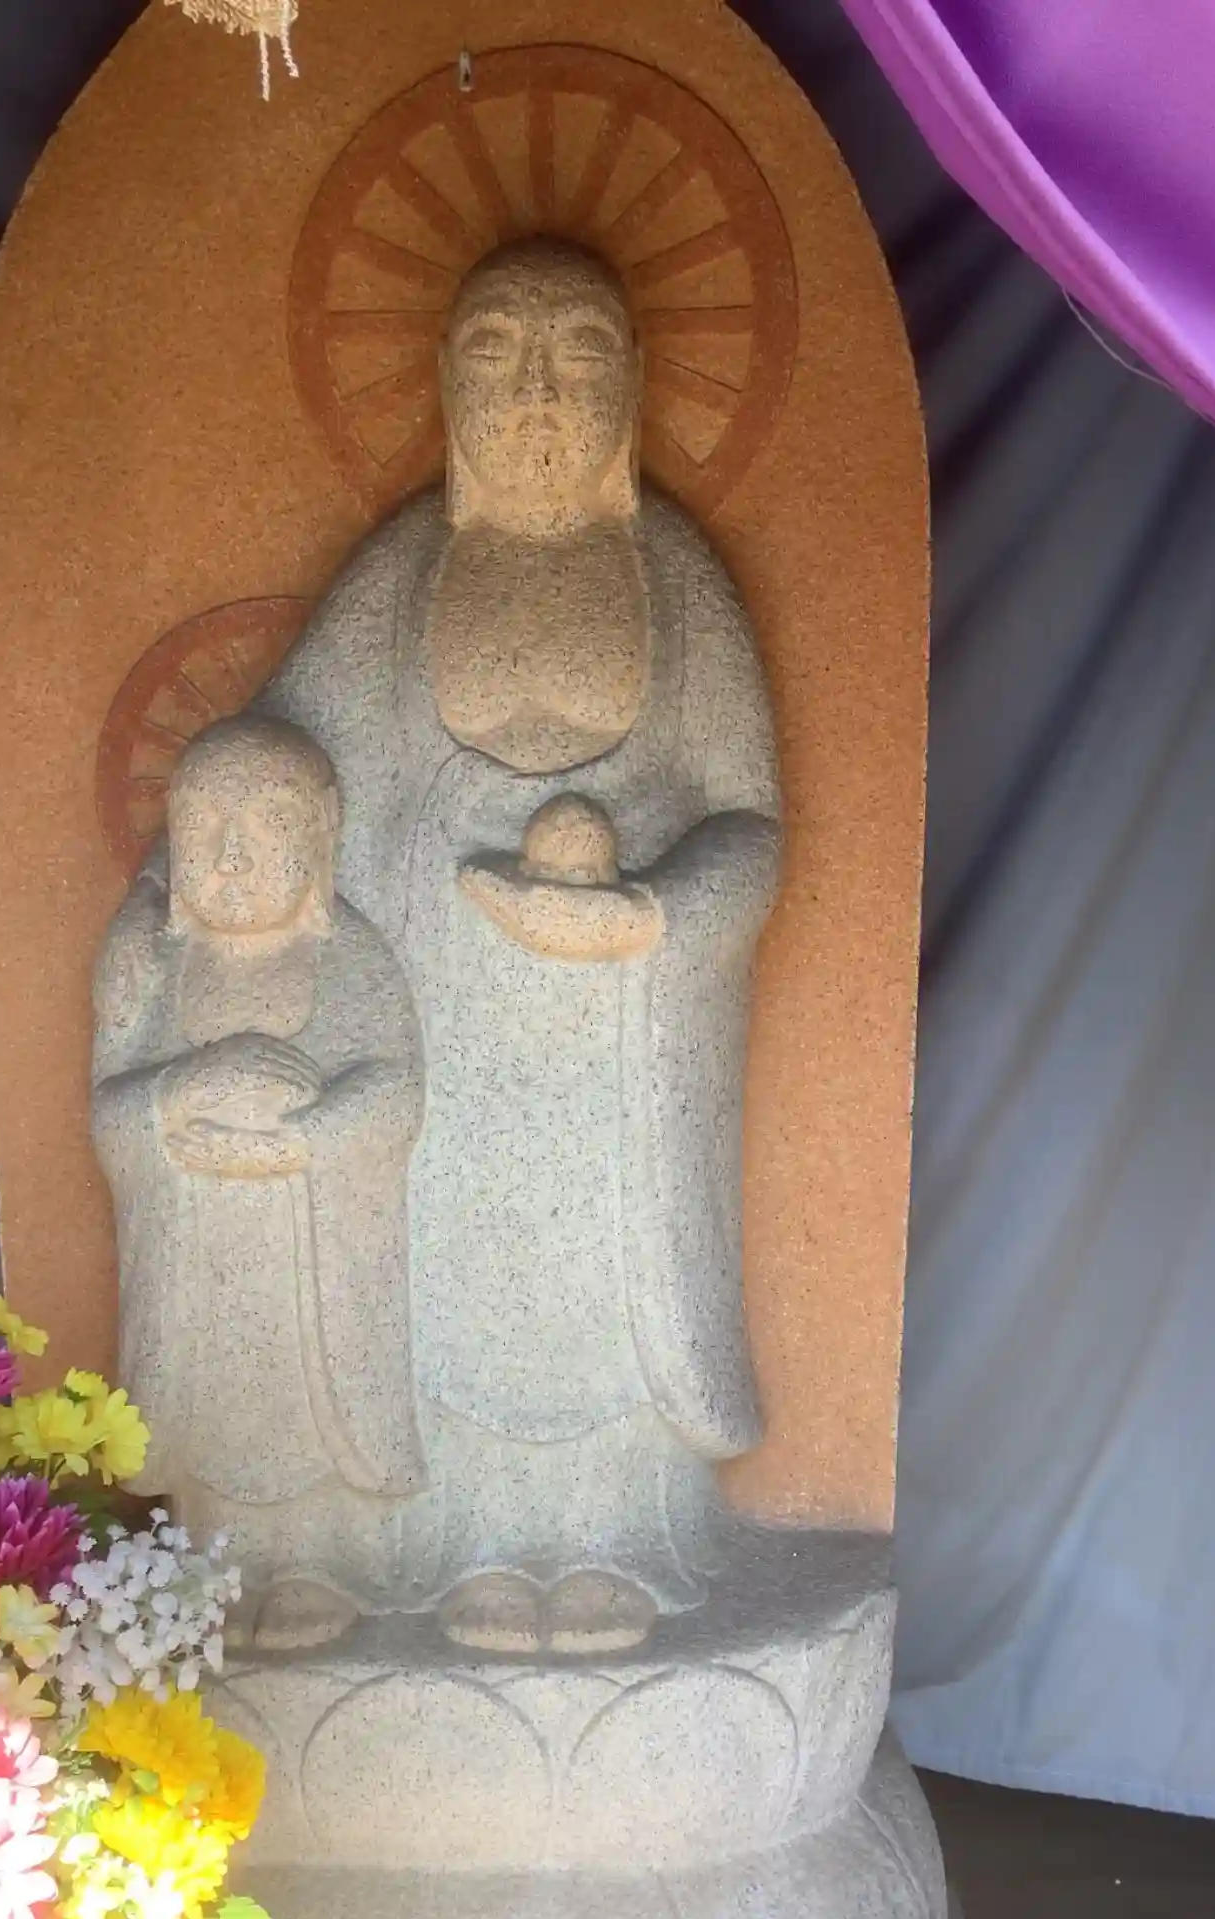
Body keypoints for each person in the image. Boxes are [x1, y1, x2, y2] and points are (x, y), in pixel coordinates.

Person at [260, 236, 782, 1654]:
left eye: (579, 356)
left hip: (625, 1045)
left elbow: (749, 824)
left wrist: (650, 917)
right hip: (439, 1019)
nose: (538, 395)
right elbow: (283, 777)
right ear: (443, 382)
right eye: (498, 355)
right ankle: (466, 1548)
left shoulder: (676, 580)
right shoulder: (398, 579)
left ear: (636, 384)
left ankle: (617, 1539)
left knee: (602, 1290)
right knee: (447, 1278)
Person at [92, 715, 424, 1650]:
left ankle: (319, 1563)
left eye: (267, 824)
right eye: (204, 828)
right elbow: (110, 1109)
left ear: (321, 834)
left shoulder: (351, 957)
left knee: (303, 1405)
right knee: (211, 1409)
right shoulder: (155, 968)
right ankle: (211, 1559)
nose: (231, 858)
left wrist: (309, 1142)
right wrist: (180, 1090)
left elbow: (396, 1088)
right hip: (195, 1252)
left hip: (313, 1251)